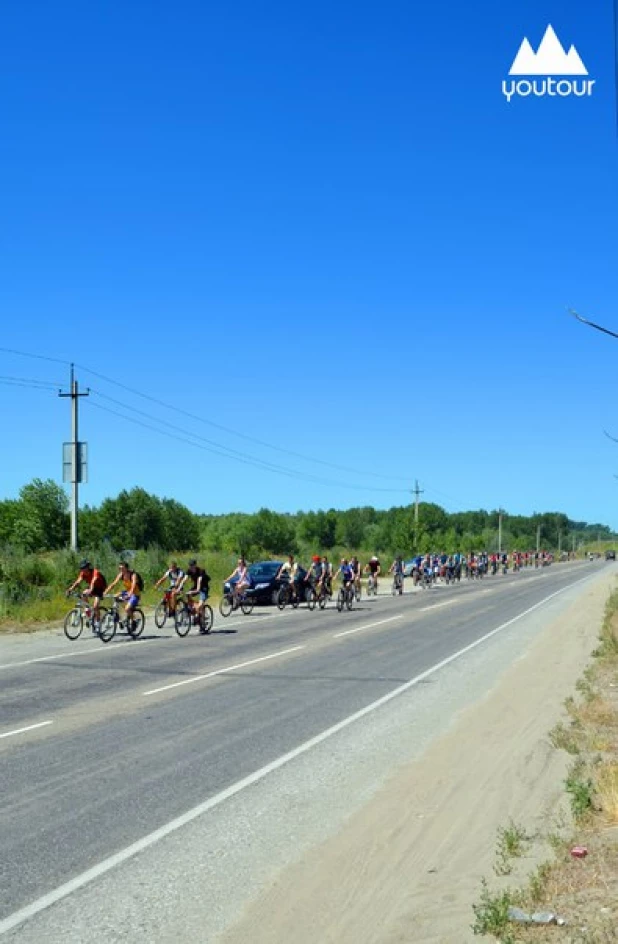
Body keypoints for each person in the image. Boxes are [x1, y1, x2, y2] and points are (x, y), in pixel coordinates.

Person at [66, 559, 107, 627]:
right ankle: (88, 609)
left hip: (100, 588)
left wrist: (90, 590)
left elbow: (93, 582)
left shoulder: (95, 572)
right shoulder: (82, 573)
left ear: (88, 567)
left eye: (84, 568)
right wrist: (70, 589)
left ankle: (98, 621)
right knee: (83, 594)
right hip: (92, 587)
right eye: (81, 568)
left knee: (95, 606)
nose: (83, 570)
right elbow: (78, 582)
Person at [105, 561, 143, 628]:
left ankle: (134, 621)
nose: (121, 570)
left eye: (122, 568)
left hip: (135, 594)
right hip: (127, 592)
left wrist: (130, 593)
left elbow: (134, 584)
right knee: (116, 596)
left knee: (127, 609)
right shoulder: (121, 574)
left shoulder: (133, 574)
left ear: (126, 568)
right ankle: (118, 618)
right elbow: (114, 584)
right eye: (120, 568)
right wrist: (105, 592)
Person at [180, 559, 211, 626]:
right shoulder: (189, 571)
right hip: (196, 586)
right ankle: (193, 608)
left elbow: (199, 582)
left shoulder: (201, 571)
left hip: (204, 588)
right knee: (187, 595)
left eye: (192, 566)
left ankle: (202, 619)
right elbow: (184, 580)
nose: (191, 567)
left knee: (199, 605)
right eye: (190, 566)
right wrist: (179, 588)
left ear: (195, 565)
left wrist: (196, 590)